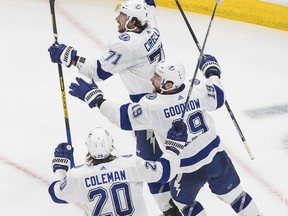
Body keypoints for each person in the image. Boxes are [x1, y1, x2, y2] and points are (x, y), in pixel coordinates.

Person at [67, 54, 262, 216]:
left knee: (185, 205)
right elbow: (218, 97)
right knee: (238, 197)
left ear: (168, 85)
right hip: (216, 158)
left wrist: (96, 99)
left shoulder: (153, 106)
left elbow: (122, 118)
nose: (152, 78)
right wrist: (212, 71)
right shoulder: (196, 88)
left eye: (157, 77)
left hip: (186, 169)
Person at [48, 0, 180, 214]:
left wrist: (71, 57)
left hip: (145, 115)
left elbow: (97, 73)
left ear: (132, 22)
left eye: (122, 15)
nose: (117, 18)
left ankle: (169, 207)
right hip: (162, 102)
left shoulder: (127, 45)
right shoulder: (151, 26)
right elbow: (150, 5)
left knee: (157, 174)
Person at [48, 124, 187, 215]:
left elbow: (56, 195)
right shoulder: (131, 164)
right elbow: (165, 172)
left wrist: (60, 167)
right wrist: (173, 147)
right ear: (111, 144)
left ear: (88, 148)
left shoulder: (78, 176)